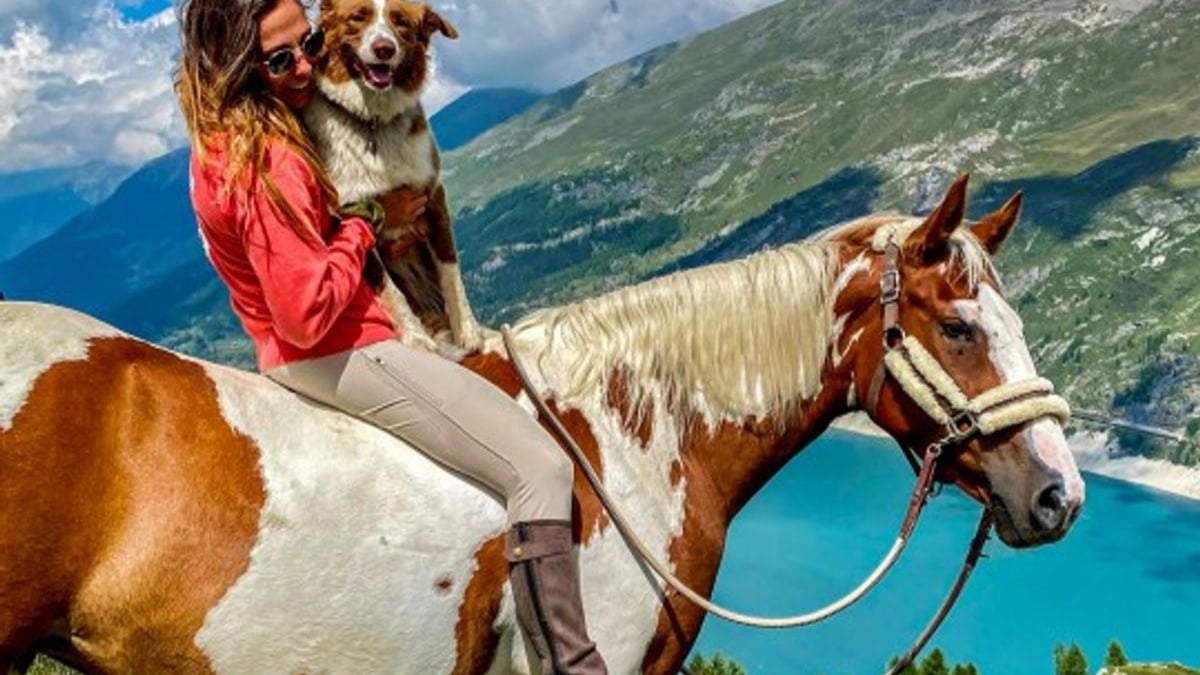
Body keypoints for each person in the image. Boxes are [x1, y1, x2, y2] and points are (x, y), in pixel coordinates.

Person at [174, 1, 608, 672]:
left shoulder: (229, 137)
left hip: (306, 349)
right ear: (240, 66)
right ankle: (571, 666)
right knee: (542, 467)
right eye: (280, 59)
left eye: (309, 44)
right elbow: (305, 313)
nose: (304, 67)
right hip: (339, 348)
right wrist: (362, 224)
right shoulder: (267, 160)